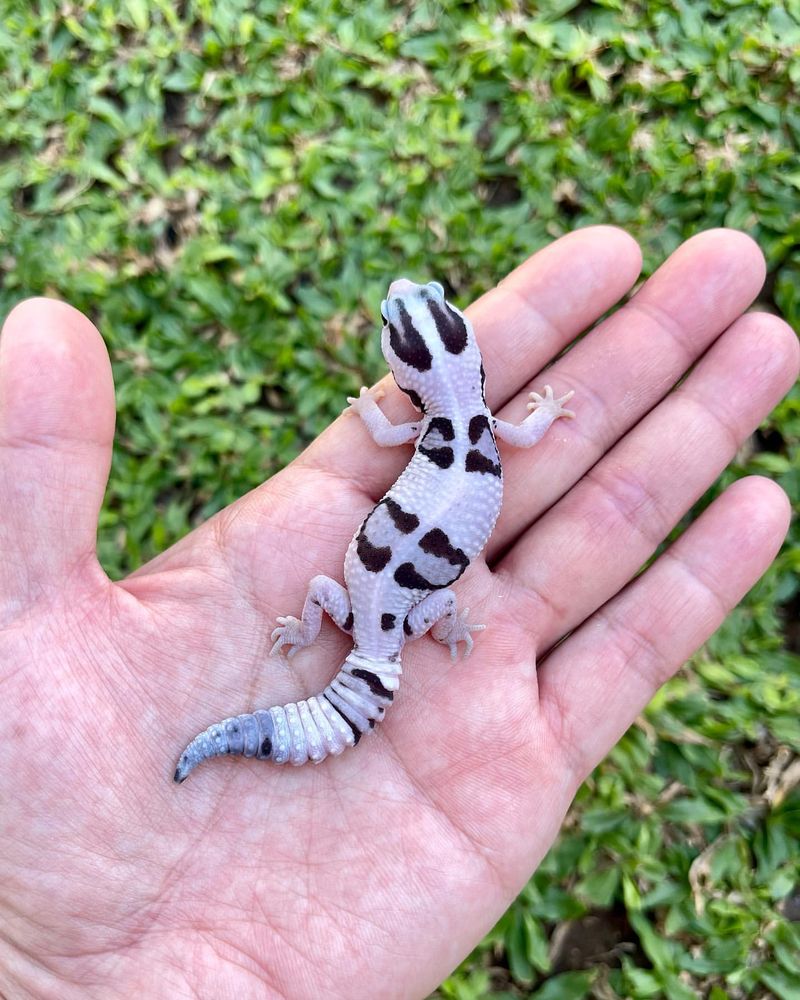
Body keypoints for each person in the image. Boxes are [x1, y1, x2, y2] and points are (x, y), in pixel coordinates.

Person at [0, 227, 796, 998]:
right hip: (393, 610)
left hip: (365, 606)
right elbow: (517, 431)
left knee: (339, 597)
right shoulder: (483, 427)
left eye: (407, 315)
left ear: (412, 371)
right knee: (405, 599)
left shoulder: (416, 427)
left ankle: (290, 675)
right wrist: (545, 422)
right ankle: (312, 680)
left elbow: (379, 424)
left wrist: (364, 425)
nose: (398, 303)